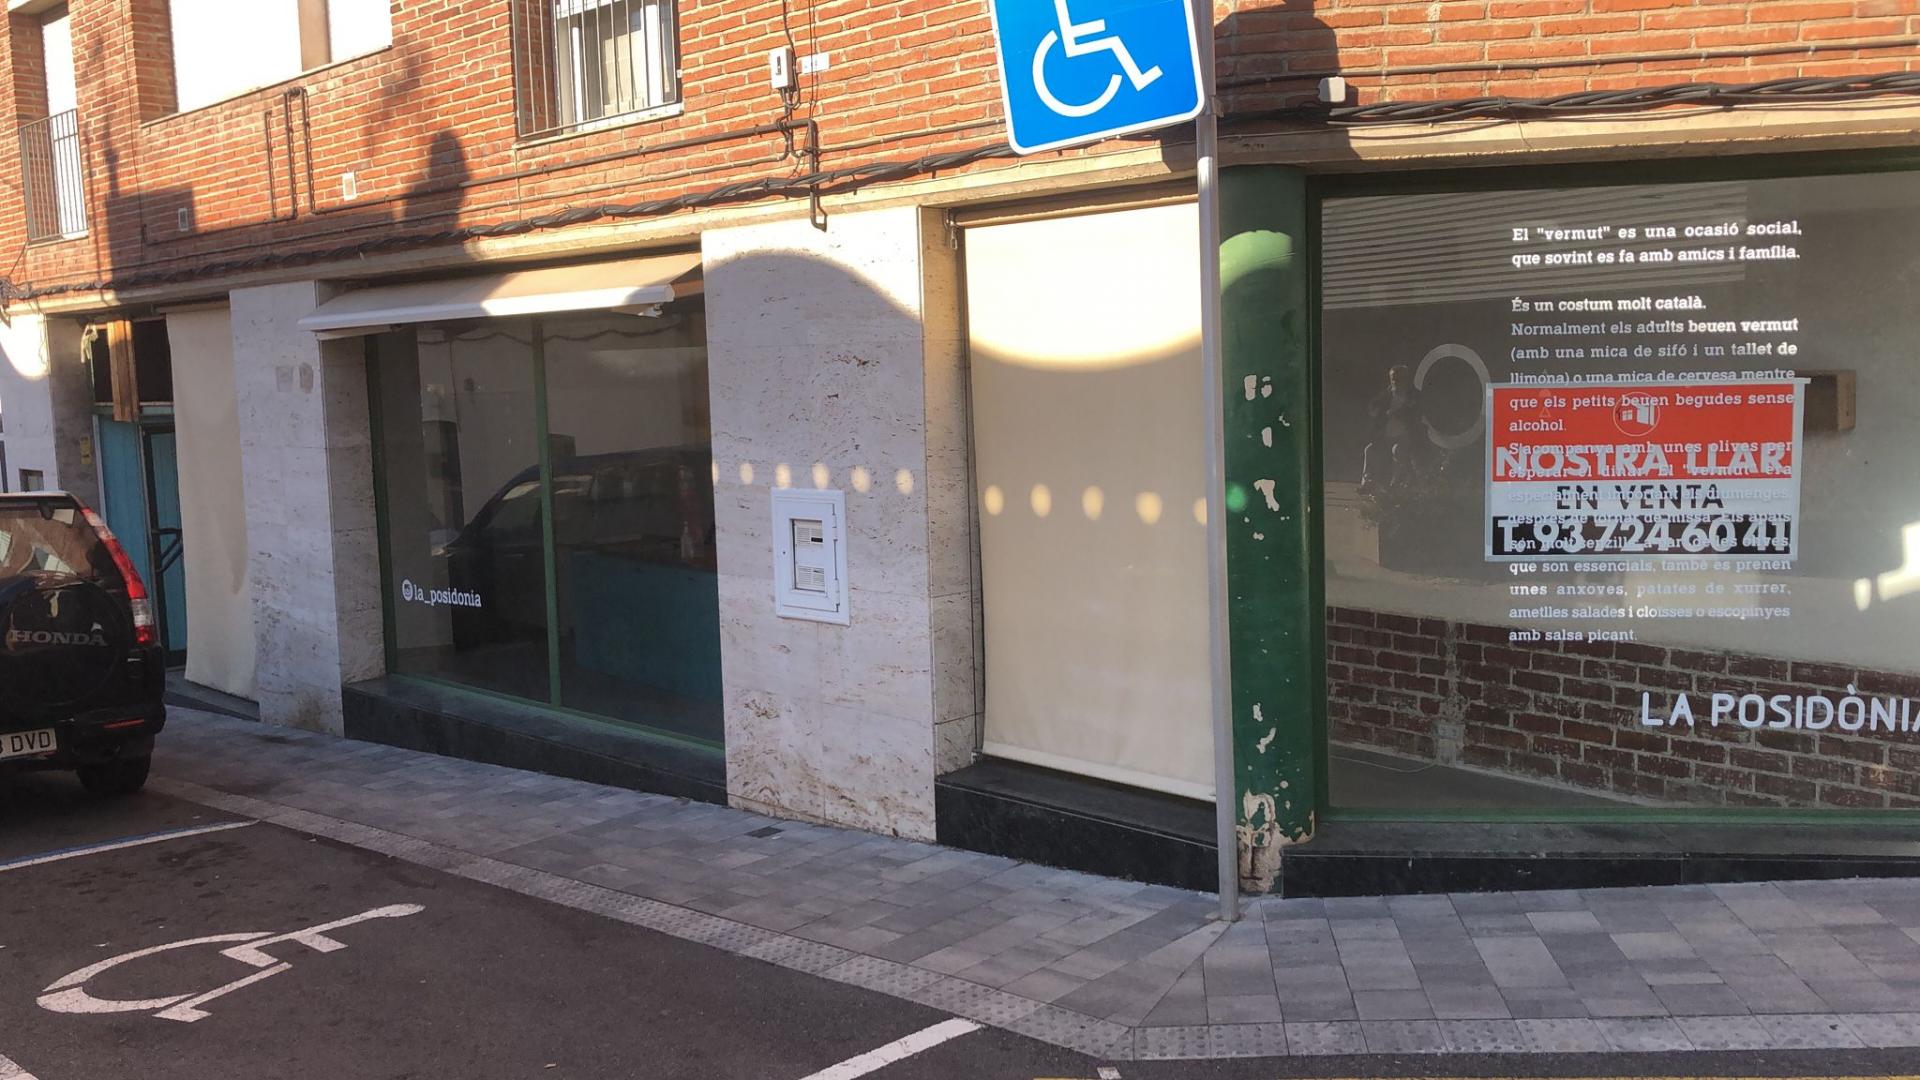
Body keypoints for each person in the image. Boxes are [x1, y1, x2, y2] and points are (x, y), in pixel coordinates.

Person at [1359, 363, 1424, 495]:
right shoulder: (1387, 394)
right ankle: (1367, 482)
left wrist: (1398, 413)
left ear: (1405, 379)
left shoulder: (1413, 395)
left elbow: (1416, 414)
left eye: (1398, 378)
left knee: (1398, 450)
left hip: (1405, 436)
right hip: (1386, 435)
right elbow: (1373, 407)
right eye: (1392, 378)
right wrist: (1381, 413)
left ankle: (1396, 484)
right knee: (1370, 450)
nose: (1394, 381)